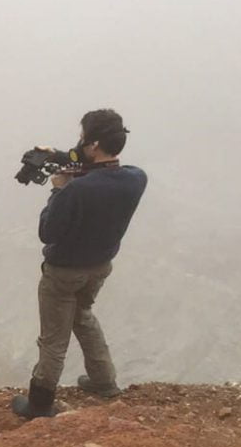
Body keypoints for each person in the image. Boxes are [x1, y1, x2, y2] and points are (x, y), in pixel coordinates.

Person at [12, 108, 147, 418]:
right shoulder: (136, 178)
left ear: (94, 144)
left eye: (83, 137)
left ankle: (39, 403)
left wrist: (58, 190)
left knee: (53, 340)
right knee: (82, 316)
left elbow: (47, 232)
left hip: (63, 272)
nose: (80, 141)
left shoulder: (75, 190)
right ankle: (104, 381)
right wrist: (58, 155)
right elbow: (98, 172)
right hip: (99, 267)